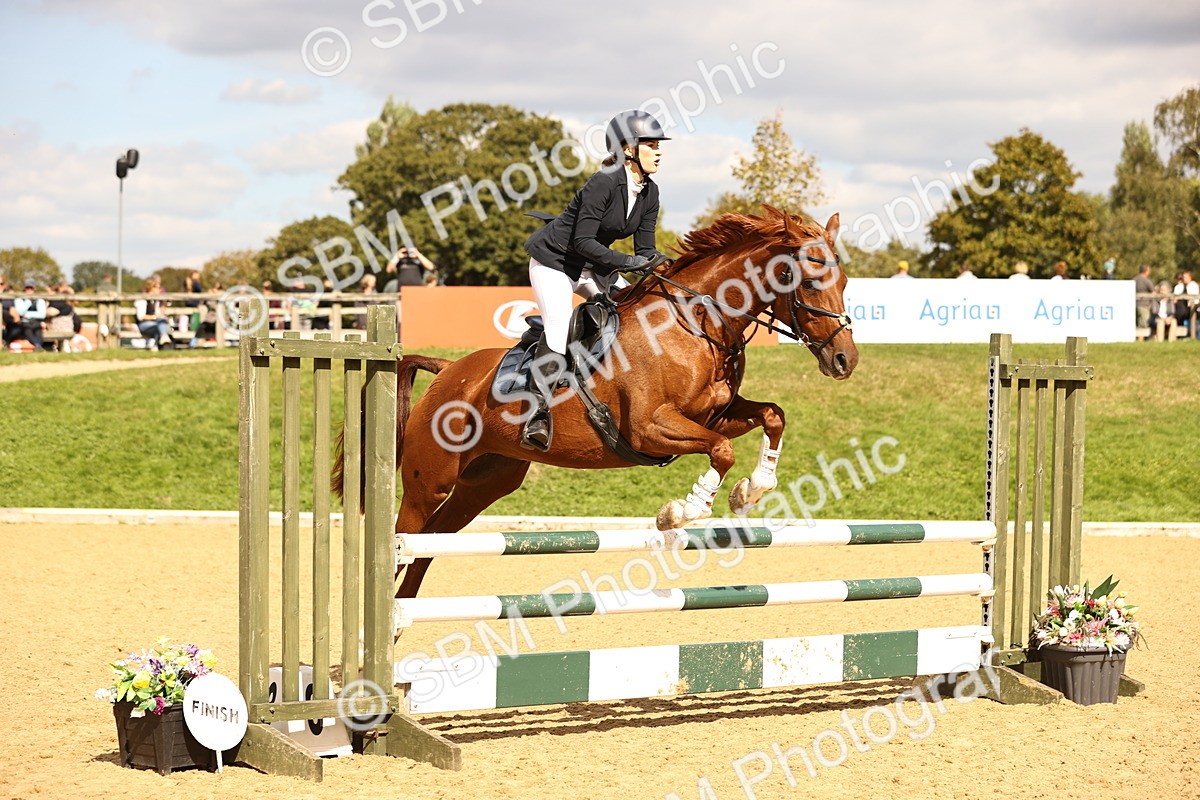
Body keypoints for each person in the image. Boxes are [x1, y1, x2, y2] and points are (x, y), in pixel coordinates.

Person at [519, 108, 670, 451]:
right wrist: (627, 262)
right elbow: (582, 241)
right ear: (628, 149)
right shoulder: (603, 181)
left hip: (591, 266)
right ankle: (536, 414)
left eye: (659, 145)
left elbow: (645, 247)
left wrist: (663, 265)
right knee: (558, 326)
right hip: (555, 262)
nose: (659, 151)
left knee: (630, 310)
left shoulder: (650, 192)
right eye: (651, 144)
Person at [134, 277, 173, 349]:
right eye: (157, 288)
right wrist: (155, 317)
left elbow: (160, 313)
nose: (159, 290)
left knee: (162, 322)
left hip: (156, 323)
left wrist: (164, 304)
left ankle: (157, 345)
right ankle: (161, 342)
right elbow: (141, 317)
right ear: (151, 288)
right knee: (161, 325)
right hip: (144, 324)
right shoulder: (143, 299)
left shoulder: (156, 300)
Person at [13, 279, 48, 349]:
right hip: (24, 323)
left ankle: (38, 346)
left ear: (34, 289)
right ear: (24, 288)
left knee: (38, 331)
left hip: (36, 322)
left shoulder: (39, 300)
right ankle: (38, 346)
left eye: (31, 288)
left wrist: (28, 314)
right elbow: (20, 312)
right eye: (27, 288)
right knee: (27, 330)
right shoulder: (19, 299)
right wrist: (28, 301)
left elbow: (42, 314)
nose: (29, 290)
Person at [1174, 269, 1199, 337]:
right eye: (1183, 277)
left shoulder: (1193, 286)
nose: (1184, 279)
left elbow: (1195, 299)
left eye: (1185, 277)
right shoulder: (1180, 286)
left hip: (1192, 307)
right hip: (1183, 308)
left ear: (1190, 277)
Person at [1134, 264, 1154, 336]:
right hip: (1144, 305)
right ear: (1146, 271)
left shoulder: (1134, 279)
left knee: (1137, 323)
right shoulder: (1146, 281)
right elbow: (1153, 292)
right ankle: (1141, 341)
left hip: (1134, 305)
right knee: (1143, 325)